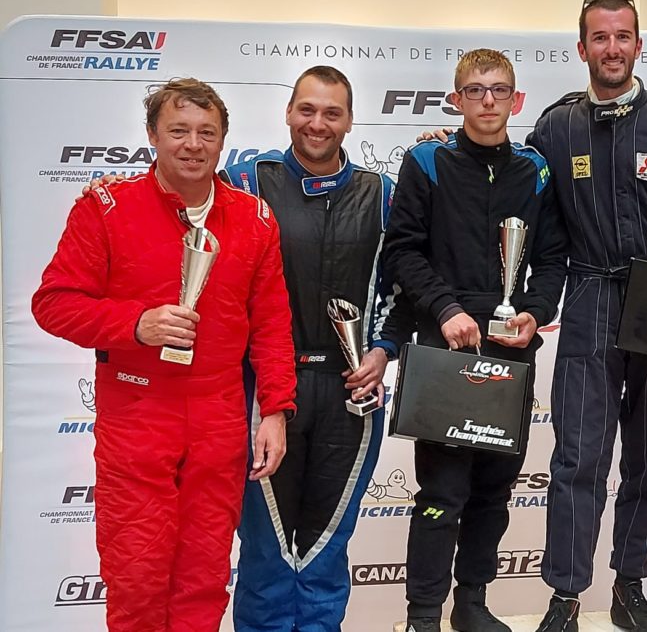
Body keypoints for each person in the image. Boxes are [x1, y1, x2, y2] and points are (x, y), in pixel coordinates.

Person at [32, 78, 296, 632]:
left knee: (203, 575)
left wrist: (274, 407)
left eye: (207, 133)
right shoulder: (107, 209)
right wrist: (135, 324)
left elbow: (271, 323)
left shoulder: (255, 219)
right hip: (138, 412)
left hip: (219, 414)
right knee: (137, 572)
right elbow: (53, 304)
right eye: (178, 131)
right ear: (152, 134)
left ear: (224, 141)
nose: (192, 145)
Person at [528, 0, 647, 632]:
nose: (612, 49)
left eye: (623, 37)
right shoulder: (555, 128)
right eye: (599, 38)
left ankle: (630, 588)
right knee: (578, 455)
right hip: (588, 298)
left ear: (640, 45)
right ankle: (565, 597)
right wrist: (454, 151)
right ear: (581, 48)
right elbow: (522, 197)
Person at [220, 65, 413, 632]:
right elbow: (177, 196)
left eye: (332, 112)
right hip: (267, 389)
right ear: (287, 113)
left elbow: (407, 283)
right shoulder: (247, 180)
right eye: (307, 109)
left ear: (350, 121)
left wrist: (383, 350)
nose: (317, 123)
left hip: (351, 390)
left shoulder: (382, 194)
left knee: (327, 548)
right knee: (266, 549)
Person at [383, 48, 568, 632]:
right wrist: (444, 309)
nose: (487, 101)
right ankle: (422, 617)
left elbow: (553, 257)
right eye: (475, 90)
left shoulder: (536, 170)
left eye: (498, 90)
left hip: (511, 350)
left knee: (493, 489)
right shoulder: (426, 161)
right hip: (444, 346)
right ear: (455, 98)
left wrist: (535, 314)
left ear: (516, 101)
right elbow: (402, 251)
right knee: (441, 492)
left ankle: (472, 605)